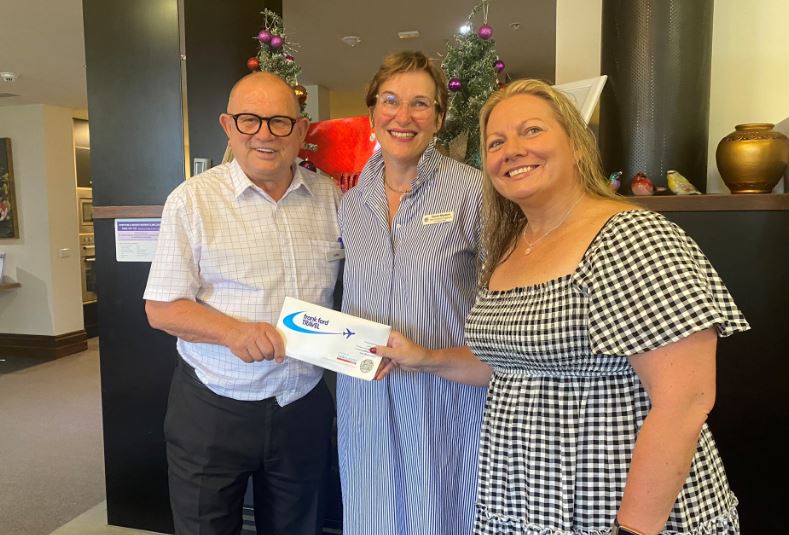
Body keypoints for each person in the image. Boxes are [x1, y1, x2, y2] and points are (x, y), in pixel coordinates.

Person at [375, 79, 748, 534]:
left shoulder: (633, 238)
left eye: (531, 131)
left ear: (575, 145)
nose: (511, 150)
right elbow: (510, 366)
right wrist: (425, 359)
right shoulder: (509, 248)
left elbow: (684, 402)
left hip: (617, 507)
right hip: (524, 503)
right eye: (496, 141)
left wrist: (631, 530)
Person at [143, 72, 341, 535]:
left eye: (279, 122)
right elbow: (162, 308)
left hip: (302, 405)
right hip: (213, 408)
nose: (264, 135)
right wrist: (234, 332)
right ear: (228, 126)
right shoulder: (192, 201)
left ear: (302, 129)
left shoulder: (331, 198)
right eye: (250, 121)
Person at [336, 51, 486, 534]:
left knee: (443, 513)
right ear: (373, 111)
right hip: (367, 395)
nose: (403, 117)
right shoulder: (352, 202)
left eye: (421, 104)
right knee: (373, 513)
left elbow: (502, 300)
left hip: (444, 396)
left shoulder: (474, 192)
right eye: (391, 101)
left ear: (439, 117)